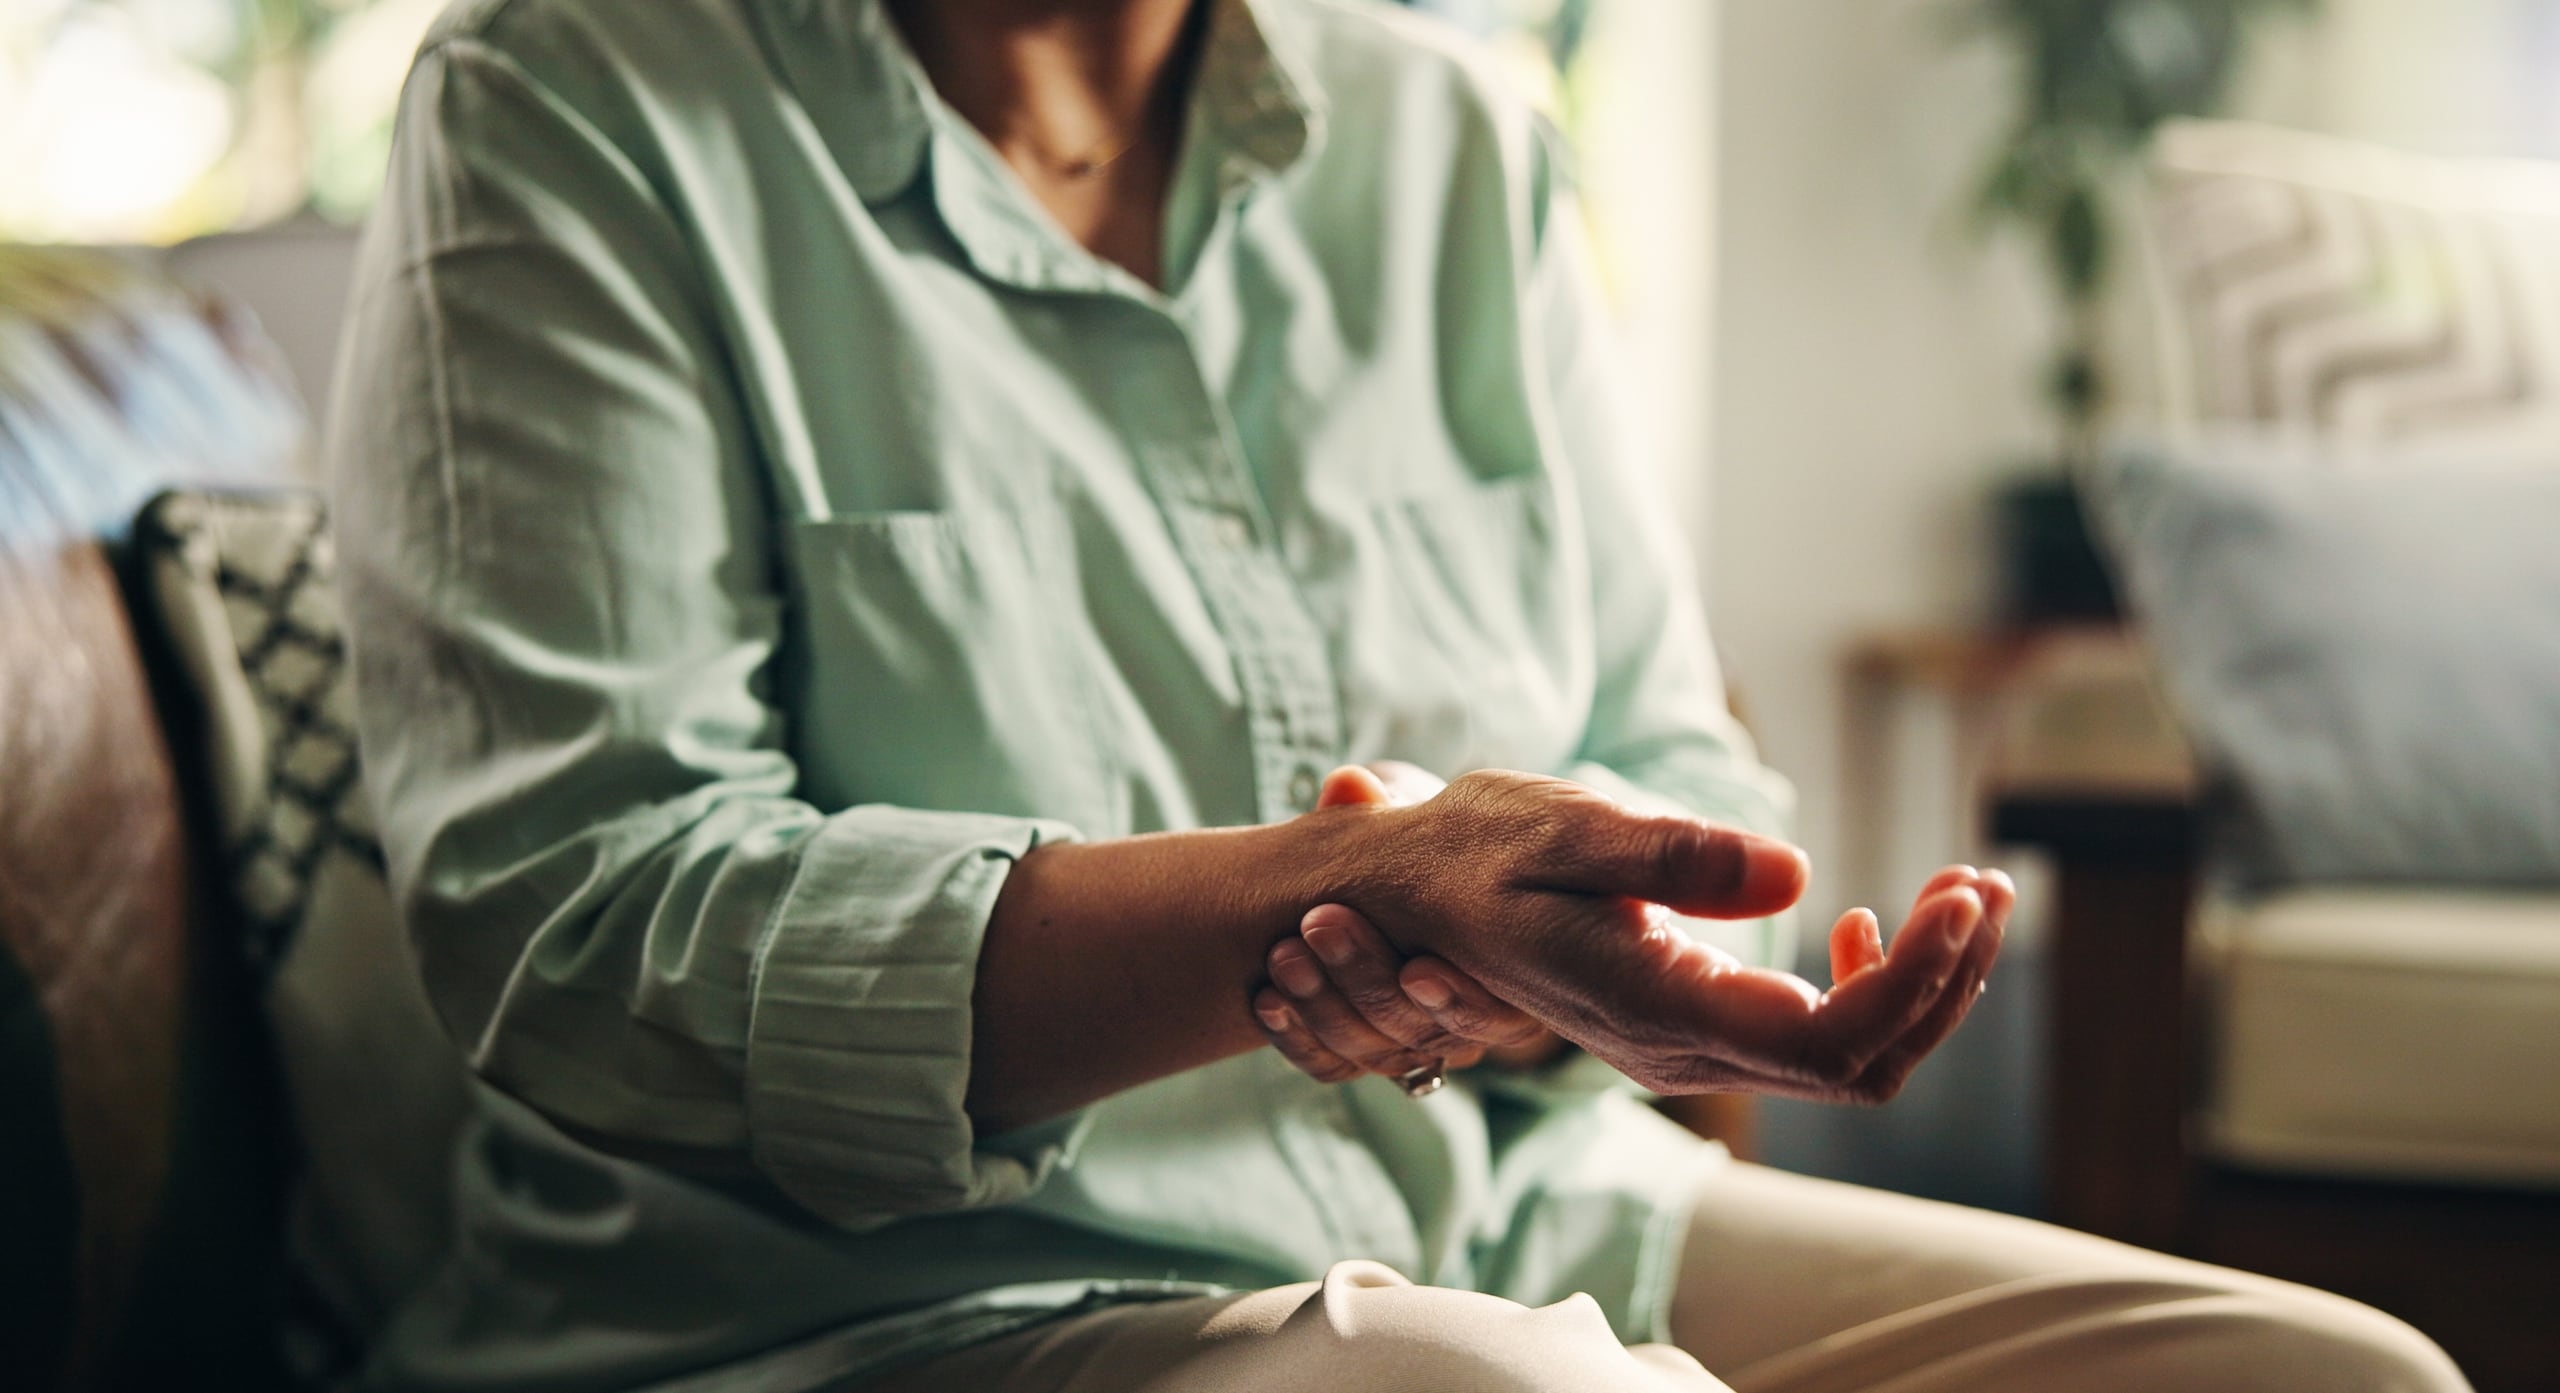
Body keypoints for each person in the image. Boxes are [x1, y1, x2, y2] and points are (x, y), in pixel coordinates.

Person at [328, 0, 2471, 1388]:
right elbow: (582, 919)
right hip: (847, 1315)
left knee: (2330, 1377)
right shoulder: (567, 106)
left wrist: (1552, 935)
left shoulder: (1450, 135)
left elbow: (1662, 743)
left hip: (1508, 1205)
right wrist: (1340, 899)